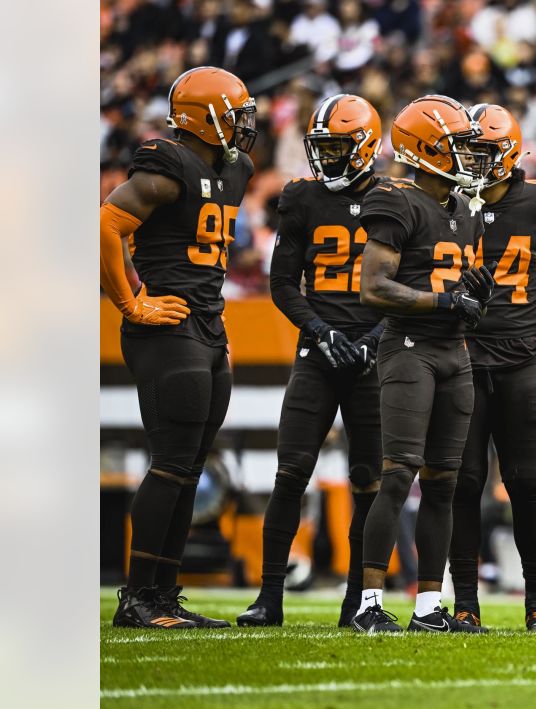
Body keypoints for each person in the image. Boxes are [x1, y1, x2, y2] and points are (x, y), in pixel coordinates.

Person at [101, 66, 256, 629]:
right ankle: (138, 597)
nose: (245, 125)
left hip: (207, 327)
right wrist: (130, 303)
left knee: (192, 467)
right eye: (236, 114)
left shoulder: (235, 170)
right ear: (208, 118)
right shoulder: (166, 165)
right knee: (170, 466)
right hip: (167, 326)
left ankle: (163, 597)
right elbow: (106, 224)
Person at [347, 95, 496, 634]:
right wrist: (443, 301)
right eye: (457, 146)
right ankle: (368, 602)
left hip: (454, 352)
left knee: (444, 483)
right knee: (398, 474)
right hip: (409, 349)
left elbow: (459, 291)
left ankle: (429, 605)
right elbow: (373, 287)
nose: (468, 157)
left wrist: (475, 298)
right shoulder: (397, 200)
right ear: (425, 150)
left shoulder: (464, 210)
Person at [237, 94, 386, 628]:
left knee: (368, 478)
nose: (327, 157)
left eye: (338, 146)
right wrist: (321, 332)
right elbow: (281, 283)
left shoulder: (397, 198)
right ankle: (269, 594)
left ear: (366, 146)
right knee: (292, 470)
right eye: (321, 146)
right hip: (319, 354)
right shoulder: (301, 198)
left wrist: (375, 337)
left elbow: (410, 284)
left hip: (371, 357)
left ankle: (356, 600)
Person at [447, 103, 536, 633]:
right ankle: (466, 603)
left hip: (520, 361)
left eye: (483, 151)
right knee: (464, 483)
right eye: (467, 150)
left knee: (525, 481)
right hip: (461, 360)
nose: (472, 161)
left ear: (511, 153)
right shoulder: (444, 201)